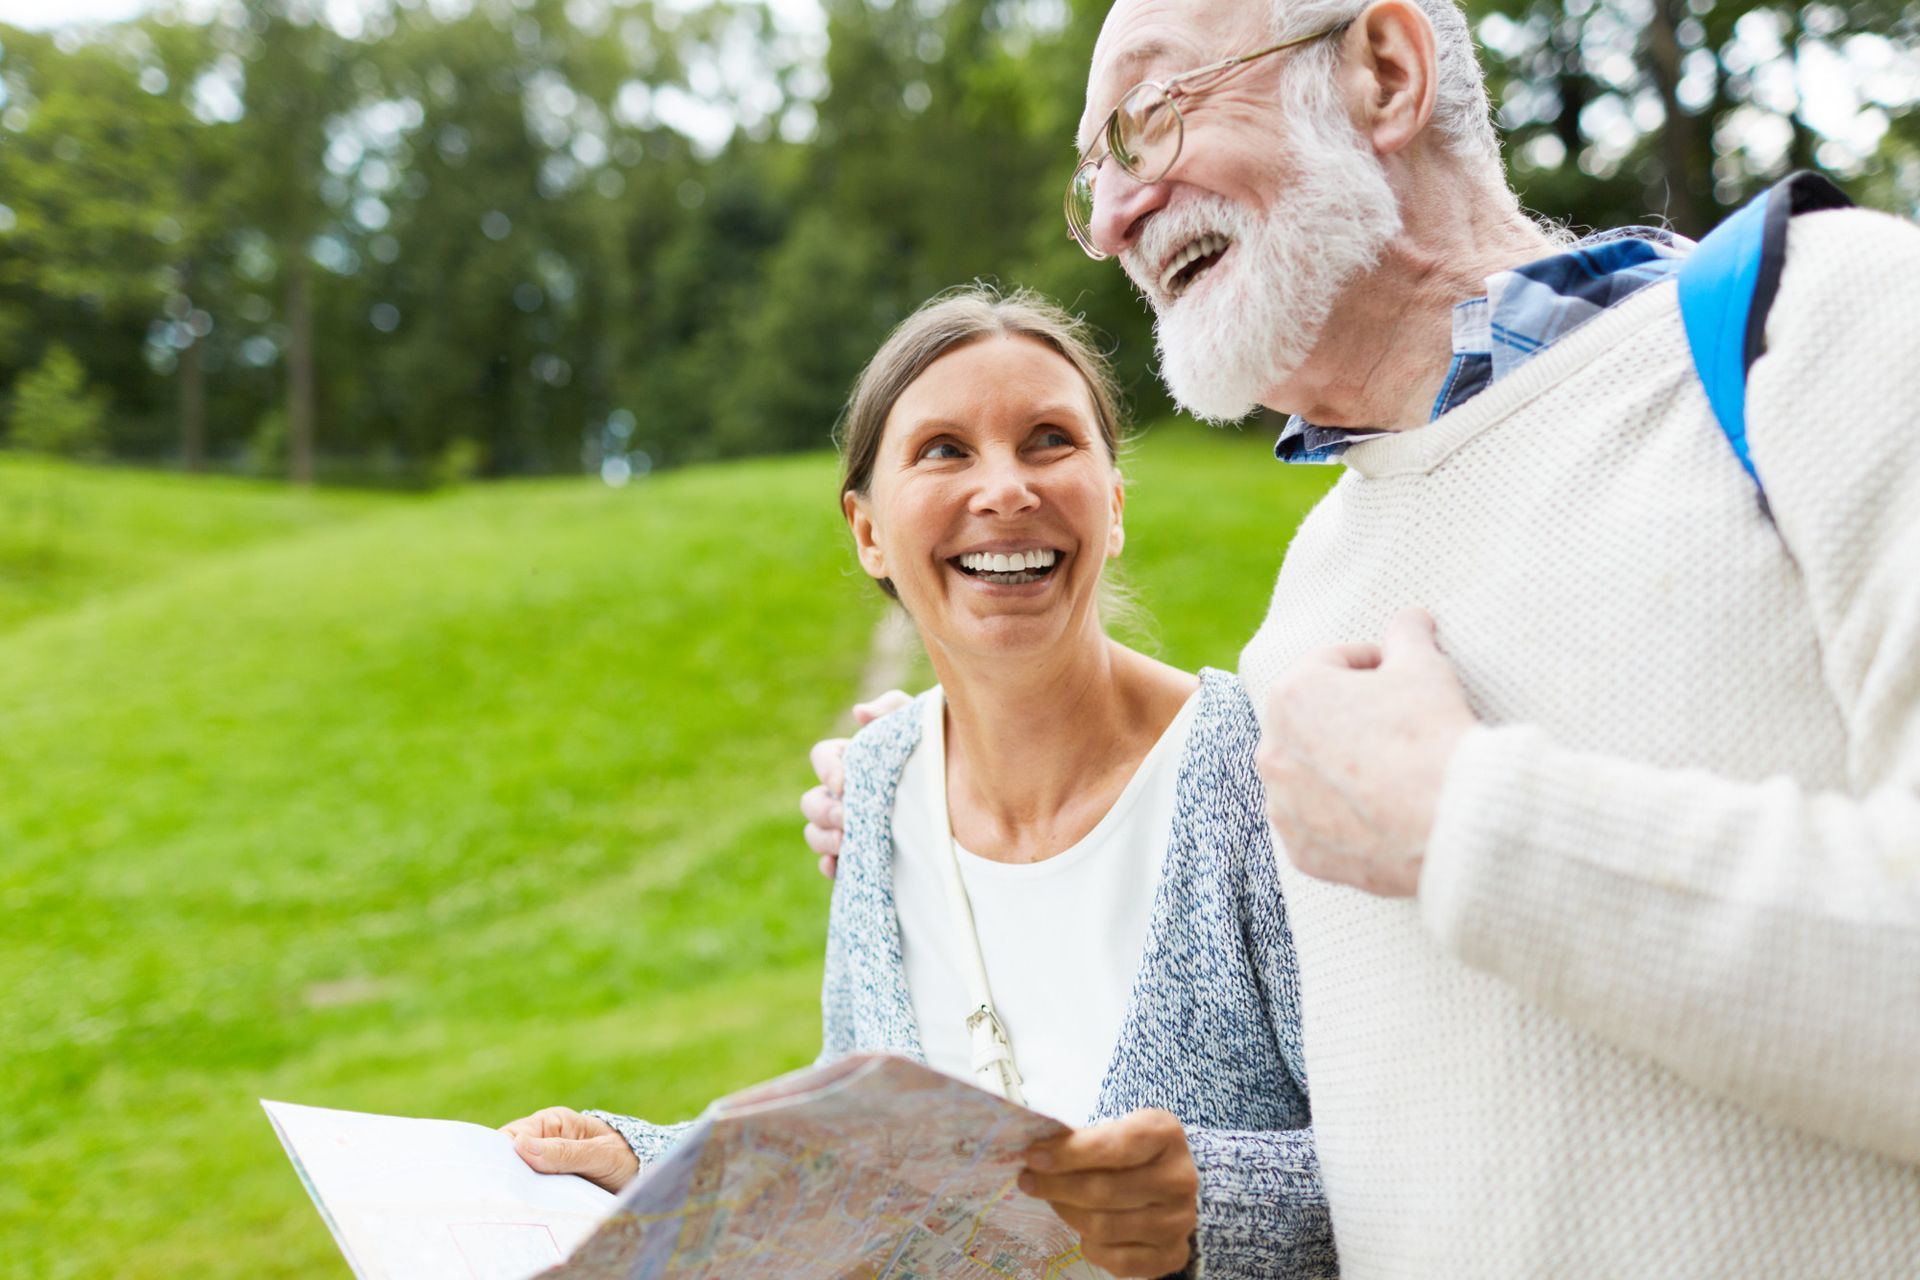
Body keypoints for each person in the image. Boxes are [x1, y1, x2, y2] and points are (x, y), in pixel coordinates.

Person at [801, 0, 1920, 1274]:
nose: (1114, 219)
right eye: (1093, 181)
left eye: (1152, 119)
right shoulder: (1309, 610)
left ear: (1382, 72)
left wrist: (1468, 821)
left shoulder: (1828, 331)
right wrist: (924, 786)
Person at [505, 287, 1337, 1280]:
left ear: (1112, 502)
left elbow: (1420, 1159)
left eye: (1048, 439)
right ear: (867, 530)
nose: (1005, 490)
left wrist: (1211, 1200)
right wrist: (649, 1157)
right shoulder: (880, 785)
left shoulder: (1258, 767)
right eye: (944, 449)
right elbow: (866, 1157)